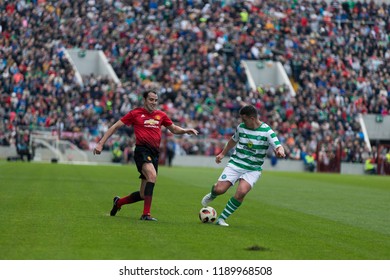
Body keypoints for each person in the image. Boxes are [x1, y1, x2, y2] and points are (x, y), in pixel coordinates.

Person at [94, 89, 199, 221]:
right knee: (152, 175)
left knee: (143, 194)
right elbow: (115, 126)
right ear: (144, 100)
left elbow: (173, 128)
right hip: (142, 151)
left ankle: (118, 202)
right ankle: (146, 214)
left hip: (154, 154)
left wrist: (185, 130)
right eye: (151, 99)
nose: (153, 102)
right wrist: (101, 143)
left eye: (155, 100)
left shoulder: (161, 115)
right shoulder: (135, 113)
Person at [201, 105, 286, 226]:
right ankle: (212, 194)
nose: (242, 122)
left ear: (252, 118)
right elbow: (233, 140)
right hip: (236, 163)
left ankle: (221, 219)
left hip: (253, 169)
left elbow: (278, 145)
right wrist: (222, 154)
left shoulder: (267, 131)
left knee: (241, 192)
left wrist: (280, 151)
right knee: (219, 189)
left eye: (244, 119)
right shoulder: (241, 128)